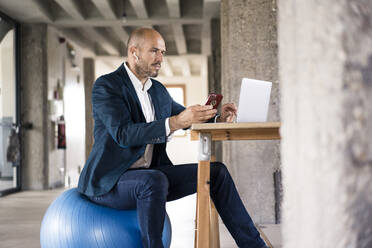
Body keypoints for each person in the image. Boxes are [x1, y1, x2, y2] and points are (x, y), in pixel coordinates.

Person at [78, 27, 268, 248]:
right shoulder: (107, 86)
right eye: (154, 51)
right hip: (110, 182)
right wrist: (176, 122)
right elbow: (123, 134)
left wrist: (216, 117)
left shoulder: (158, 91)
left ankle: (255, 246)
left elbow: (186, 118)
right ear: (134, 52)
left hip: (150, 176)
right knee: (153, 180)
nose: (160, 59)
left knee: (217, 173)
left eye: (163, 52)